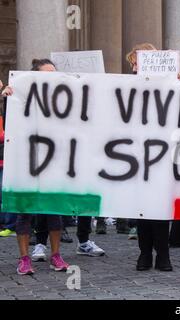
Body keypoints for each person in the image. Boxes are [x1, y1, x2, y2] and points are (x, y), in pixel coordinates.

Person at [2, 59, 70, 275]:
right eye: (47, 73)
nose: (52, 76)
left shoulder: (63, 97)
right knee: (25, 212)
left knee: (54, 212)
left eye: (54, 72)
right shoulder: (20, 96)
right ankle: (24, 259)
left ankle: (56, 256)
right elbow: (10, 119)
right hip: (26, 163)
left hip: (53, 162)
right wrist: (6, 97)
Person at [126, 42, 180, 271]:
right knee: (143, 208)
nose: (137, 67)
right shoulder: (127, 84)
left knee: (160, 207)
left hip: (164, 153)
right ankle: (144, 253)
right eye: (135, 63)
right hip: (137, 155)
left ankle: (163, 254)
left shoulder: (172, 83)